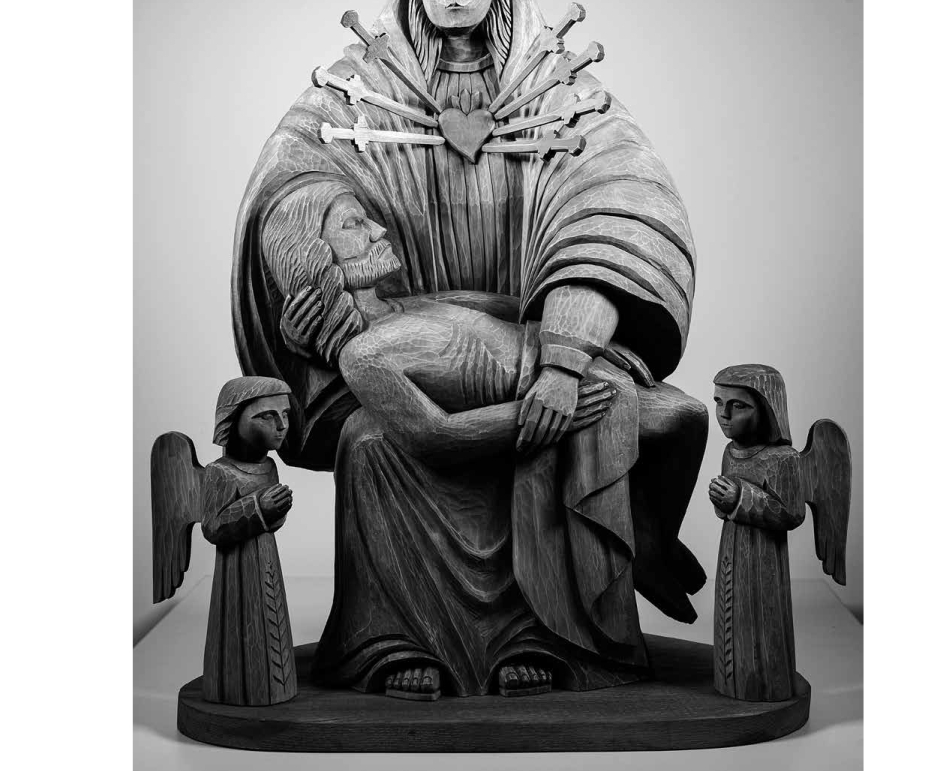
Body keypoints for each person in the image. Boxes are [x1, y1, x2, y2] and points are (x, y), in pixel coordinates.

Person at [232, 0, 708, 685]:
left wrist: (563, 357)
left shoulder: (564, 95)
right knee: (375, 442)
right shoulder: (356, 92)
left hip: (541, 339)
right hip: (405, 343)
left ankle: (547, 642)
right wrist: (313, 289)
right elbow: (291, 186)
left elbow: (619, 213)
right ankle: (395, 645)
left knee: (643, 416)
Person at [261, 177, 687, 698]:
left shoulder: (413, 306)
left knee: (686, 418)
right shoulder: (362, 354)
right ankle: (429, 641)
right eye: (354, 224)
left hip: (557, 367)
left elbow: (506, 307)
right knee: (367, 440)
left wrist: (581, 346)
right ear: (316, 259)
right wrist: (536, 414)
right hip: (541, 399)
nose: (378, 230)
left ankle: (653, 547)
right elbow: (433, 433)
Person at [709, 365, 804, 702]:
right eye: (719, 402)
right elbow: (727, 504)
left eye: (738, 405)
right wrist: (723, 500)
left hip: (764, 558)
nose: (724, 414)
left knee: (761, 618)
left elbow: (791, 512)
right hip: (732, 549)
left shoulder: (782, 459)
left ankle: (764, 686)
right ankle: (730, 679)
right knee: (730, 612)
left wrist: (739, 497)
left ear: (767, 408)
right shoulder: (730, 452)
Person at [201, 377, 297, 705]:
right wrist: (259, 507)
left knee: (271, 621)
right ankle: (239, 688)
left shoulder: (268, 466)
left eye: (285, 414)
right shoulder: (220, 472)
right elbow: (213, 527)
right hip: (236, 568)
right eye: (267, 416)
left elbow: (273, 523)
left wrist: (276, 512)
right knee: (243, 626)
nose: (282, 425)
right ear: (232, 419)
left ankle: (276, 685)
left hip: (266, 560)